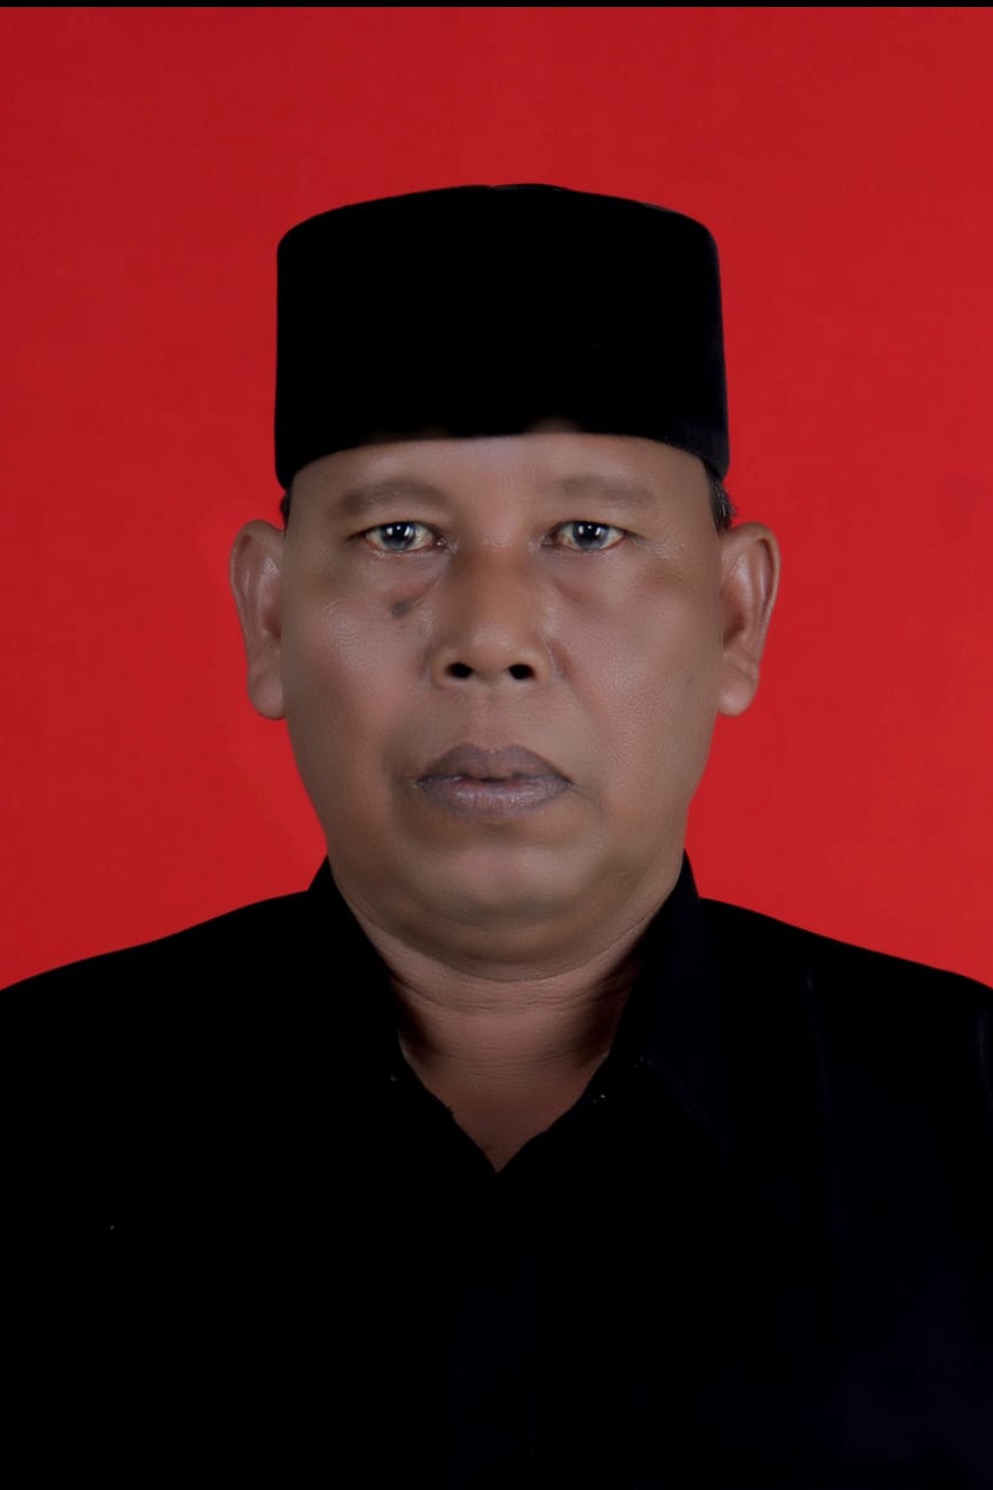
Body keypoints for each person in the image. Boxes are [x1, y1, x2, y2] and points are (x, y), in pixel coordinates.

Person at [2, 183, 991, 1488]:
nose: (489, 635)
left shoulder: (974, 1131)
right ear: (270, 615)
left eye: (587, 533)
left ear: (733, 615)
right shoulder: (23, 1123)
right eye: (399, 534)